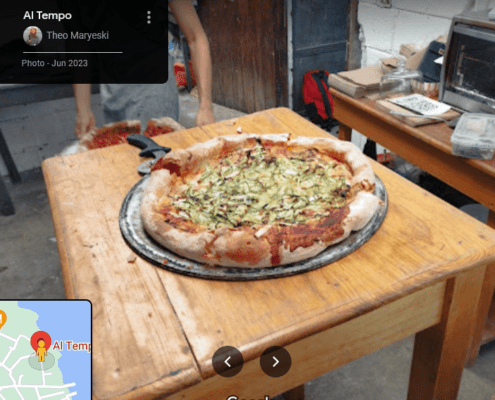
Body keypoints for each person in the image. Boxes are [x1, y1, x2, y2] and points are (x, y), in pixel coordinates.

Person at [73, 0, 214, 139]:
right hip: (111, 91)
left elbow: (196, 37)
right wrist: (83, 108)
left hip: (152, 88)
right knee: (121, 157)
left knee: (156, 157)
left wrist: (205, 107)